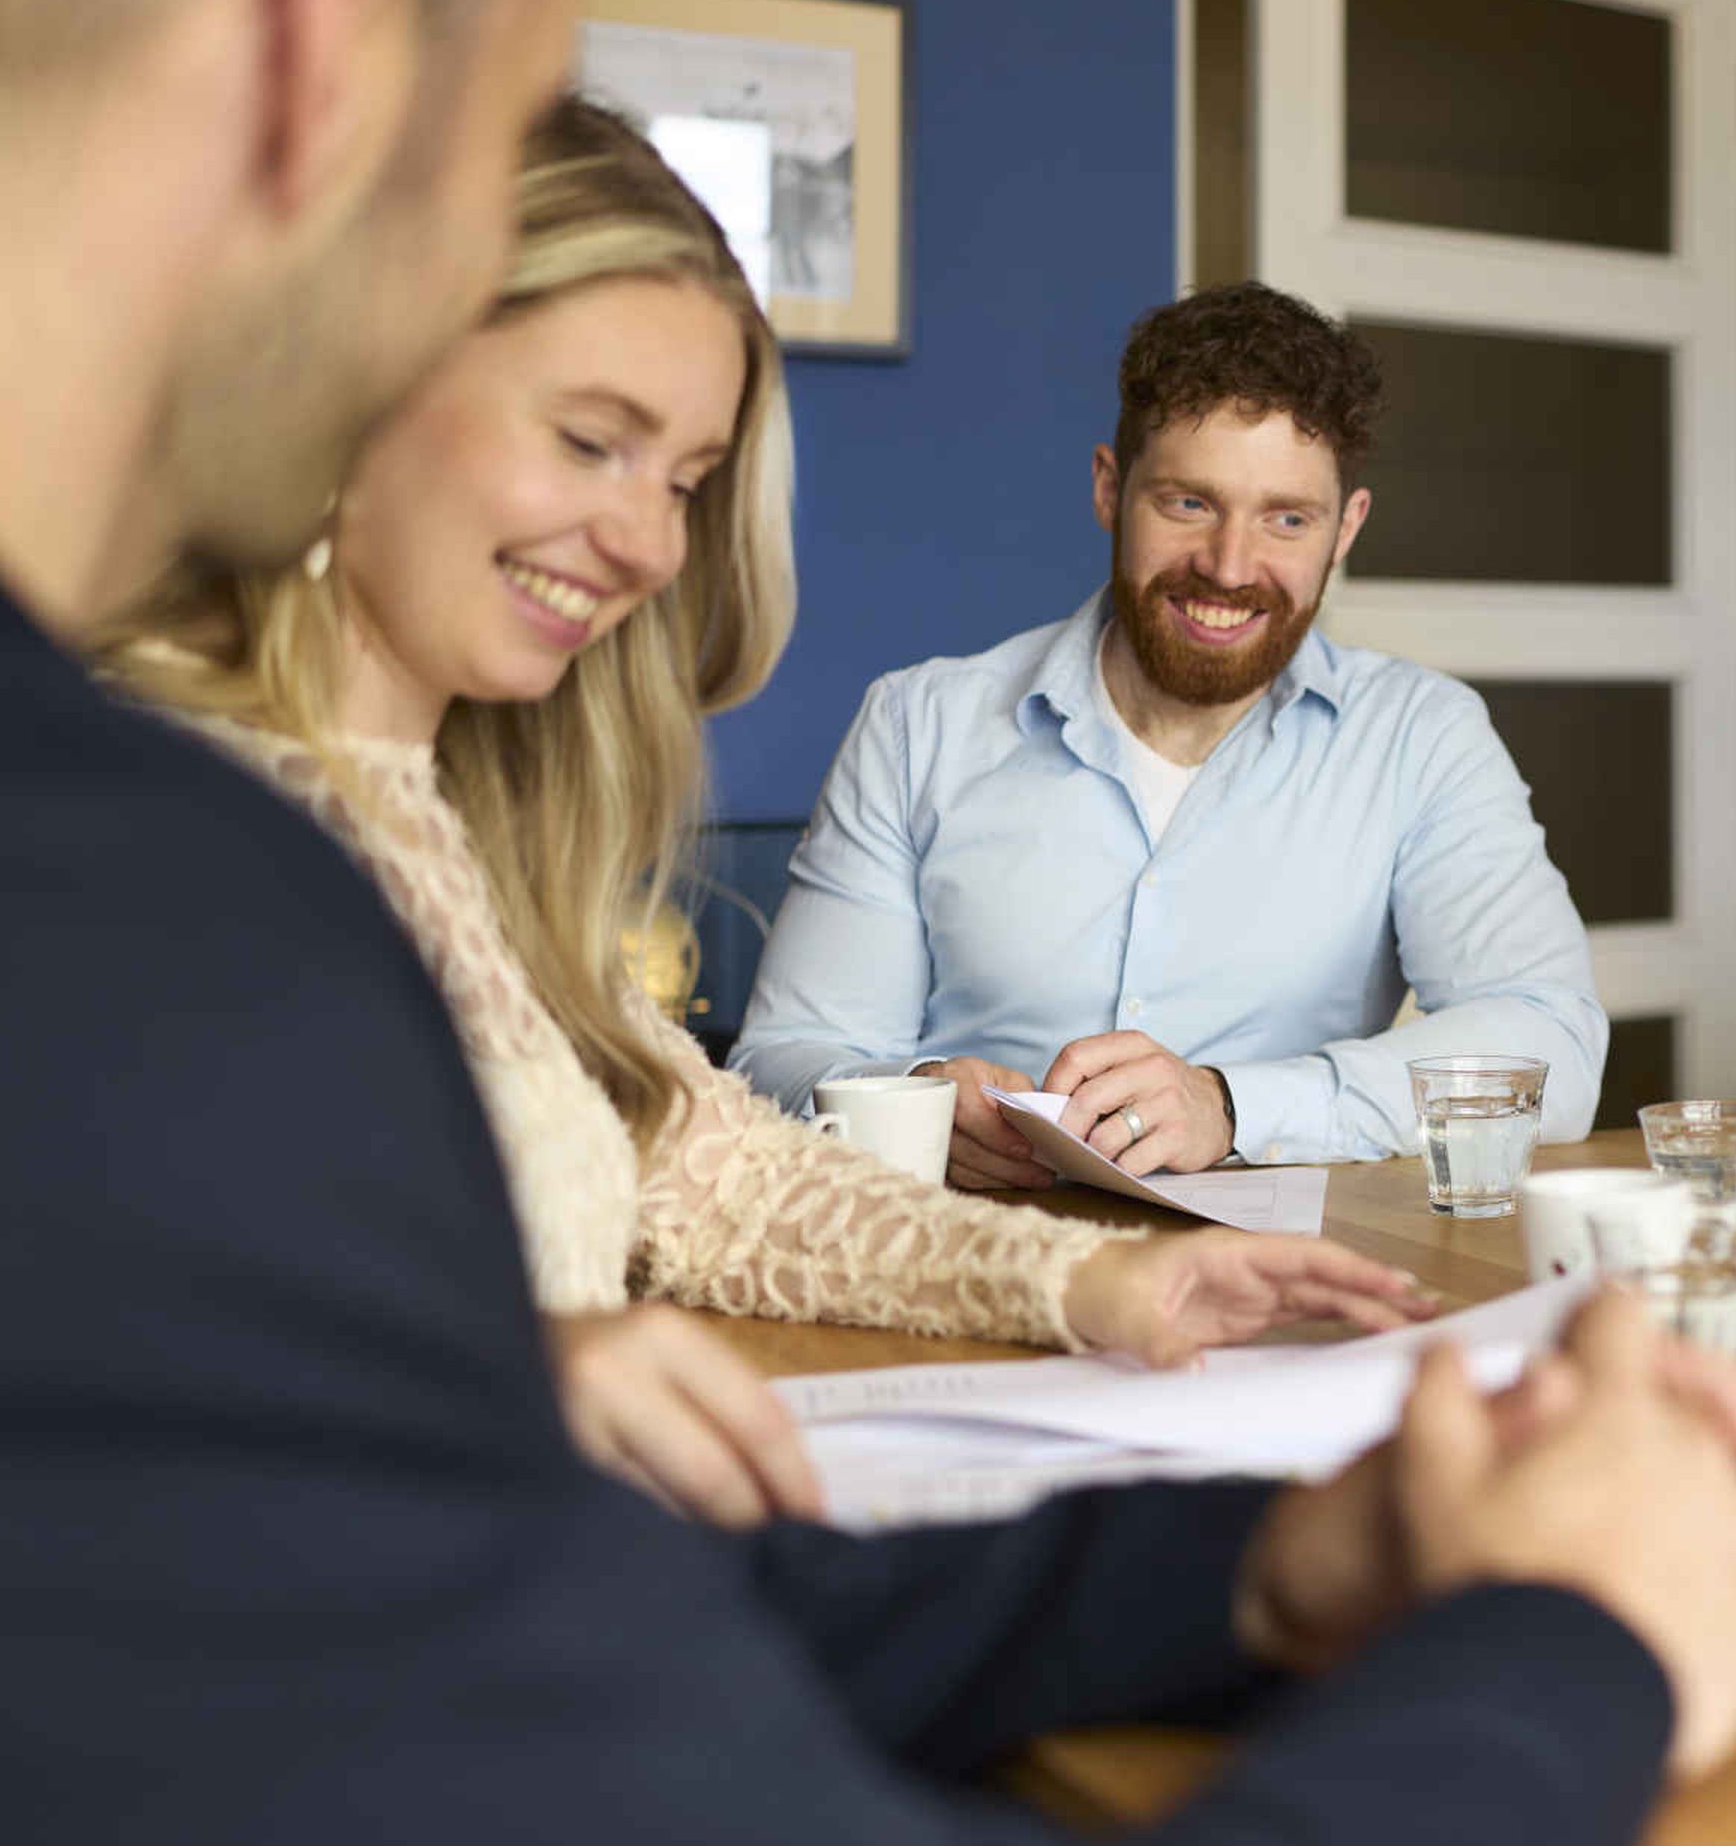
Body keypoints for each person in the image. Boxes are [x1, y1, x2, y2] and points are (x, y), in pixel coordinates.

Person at [0, 0, 1736, 1846]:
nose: (639, 537)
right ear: (334, 42)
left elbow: (449, 1533)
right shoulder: (158, 937)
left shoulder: (271, 877)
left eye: (688, 475)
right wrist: (1573, 1644)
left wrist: (1245, 1538)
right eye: (512, 117)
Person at [105, 99, 1428, 1528]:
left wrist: (1094, 1280)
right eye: (589, 441)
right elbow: (117, 1332)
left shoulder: (474, 834)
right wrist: (511, 1374)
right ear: (354, 383)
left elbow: (711, 1176)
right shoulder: (133, 810)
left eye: (685, 482)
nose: (648, 543)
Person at [730, 282, 1607, 1185]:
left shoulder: (1422, 738)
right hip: (973, 1274)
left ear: (1346, 529)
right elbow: (781, 1059)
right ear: (1111, 489)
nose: (1230, 568)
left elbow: (1555, 1047)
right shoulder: (918, 728)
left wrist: (1234, 1107)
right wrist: (911, 1101)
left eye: (1287, 519)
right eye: (1189, 504)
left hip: (1281, 1292)